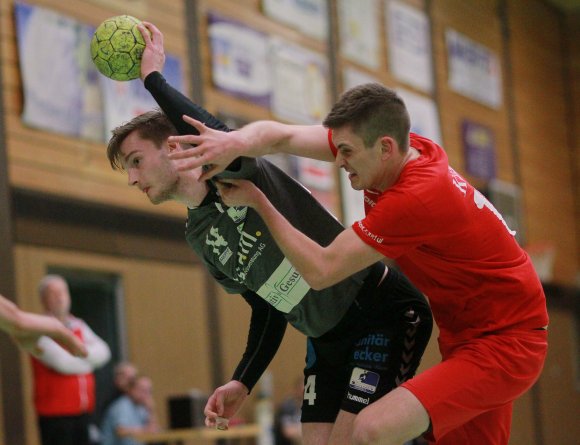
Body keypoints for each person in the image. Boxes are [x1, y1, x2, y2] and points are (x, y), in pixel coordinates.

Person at [105, 22, 432, 445]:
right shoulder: (201, 236)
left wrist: (153, 79)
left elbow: (222, 136)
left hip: (380, 314)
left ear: (172, 147)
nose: (132, 179)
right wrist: (243, 380)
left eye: (135, 161)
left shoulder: (237, 171)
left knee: (359, 439)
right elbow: (268, 306)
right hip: (323, 340)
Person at [168, 84, 550, 444]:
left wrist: (259, 202)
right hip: (466, 336)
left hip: (506, 343)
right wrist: (233, 141)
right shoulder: (399, 151)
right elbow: (281, 136)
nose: (338, 160)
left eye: (347, 152)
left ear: (384, 147)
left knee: (369, 430)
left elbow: (320, 270)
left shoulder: (414, 198)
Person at [31, 274, 111, 445]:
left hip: (83, 412)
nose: (60, 297)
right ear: (44, 299)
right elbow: (63, 363)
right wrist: (91, 362)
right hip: (55, 416)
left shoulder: (78, 325)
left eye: (63, 292)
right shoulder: (38, 327)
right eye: (54, 293)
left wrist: (82, 359)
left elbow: (104, 352)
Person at [0, 293, 86, 357]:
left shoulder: (78, 324)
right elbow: (16, 321)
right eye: (54, 294)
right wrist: (55, 326)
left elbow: (16, 320)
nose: (59, 299)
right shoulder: (43, 329)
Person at [100, 375, 159, 445]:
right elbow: (121, 431)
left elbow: (153, 430)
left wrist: (151, 411)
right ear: (131, 389)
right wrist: (144, 430)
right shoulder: (122, 406)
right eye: (142, 390)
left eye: (149, 391)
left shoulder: (141, 407)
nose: (146, 395)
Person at [274, 377, 304, 445]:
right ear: (296, 390)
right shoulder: (288, 406)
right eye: (302, 391)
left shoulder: (308, 407)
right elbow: (288, 431)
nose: (304, 394)